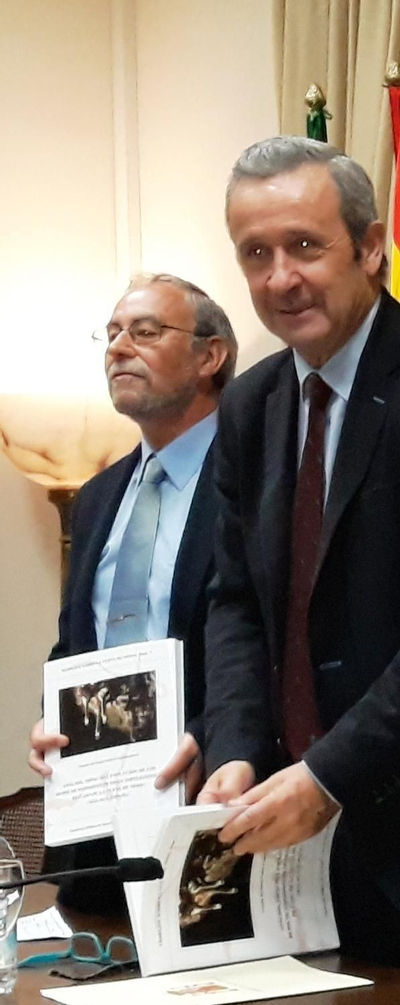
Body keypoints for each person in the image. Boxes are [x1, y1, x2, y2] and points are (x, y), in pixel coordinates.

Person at [199, 137, 400, 963]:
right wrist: (236, 751)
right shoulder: (248, 406)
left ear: (371, 246)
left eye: (306, 246)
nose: (282, 278)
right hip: (287, 853)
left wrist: (332, 776)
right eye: (257, 253)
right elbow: (236, 600)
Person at [29, 274, 237, 914]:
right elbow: (75, 644)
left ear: (210, 356)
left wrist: (217, 733)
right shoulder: (95, 497)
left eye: (145, 332)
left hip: (210, 802)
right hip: (94, 828)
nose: (119, 348)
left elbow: (276, 639)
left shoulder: (253, 480)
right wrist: (52, 718)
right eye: (113, 333)